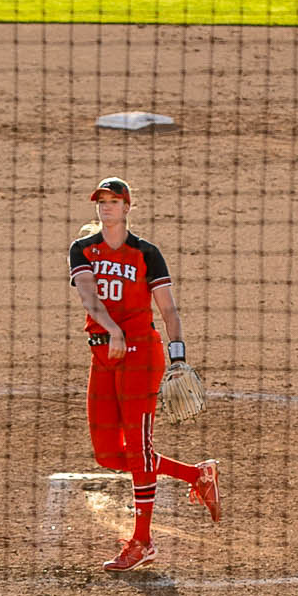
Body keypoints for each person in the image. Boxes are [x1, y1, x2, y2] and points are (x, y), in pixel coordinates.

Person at [70, 175, 221, 572]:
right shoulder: (82, 249)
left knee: (138, 450)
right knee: (108, 453)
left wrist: (178, 356)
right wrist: (112, 330)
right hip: (103, 354)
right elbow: (89, 297)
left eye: (114, 201)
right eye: (101, 201)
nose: (106, 207)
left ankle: (143, 542)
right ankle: (197, 474)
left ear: (127, 207)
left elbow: (168, 309)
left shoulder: (146, 253)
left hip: (140, 354)